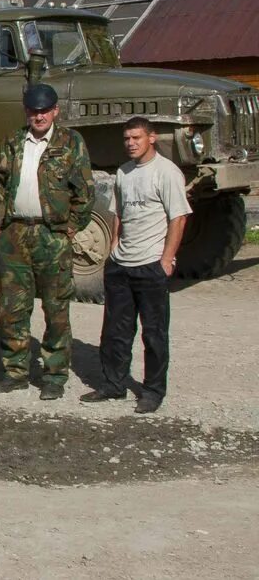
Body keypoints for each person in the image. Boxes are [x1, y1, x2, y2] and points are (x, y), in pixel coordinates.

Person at [0, 83, 94, 399]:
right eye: (33, 111)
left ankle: (54, 375)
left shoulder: (70, 143)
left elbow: (85, 192)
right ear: (27, 112)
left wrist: (71, 227)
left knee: (56, 309)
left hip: (52, 236)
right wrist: (0, 221)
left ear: (55, 111)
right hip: (15, 235)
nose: (39, 116)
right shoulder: (14, 141)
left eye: (44, 110)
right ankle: (15, 371)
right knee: (13, 308)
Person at [81, 117, 189, 414]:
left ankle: (153, 391)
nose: (130, 143)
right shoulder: (124, 172)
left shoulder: (167, 173)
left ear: (151, 138)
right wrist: (114, 246)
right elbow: (118, 213)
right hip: (121, 265)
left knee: (154, 333)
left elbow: (178, 217)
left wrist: (166, 259)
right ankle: (113, 384)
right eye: (127, 138)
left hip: (150, 264)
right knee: (115, 330)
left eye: (136, 138)